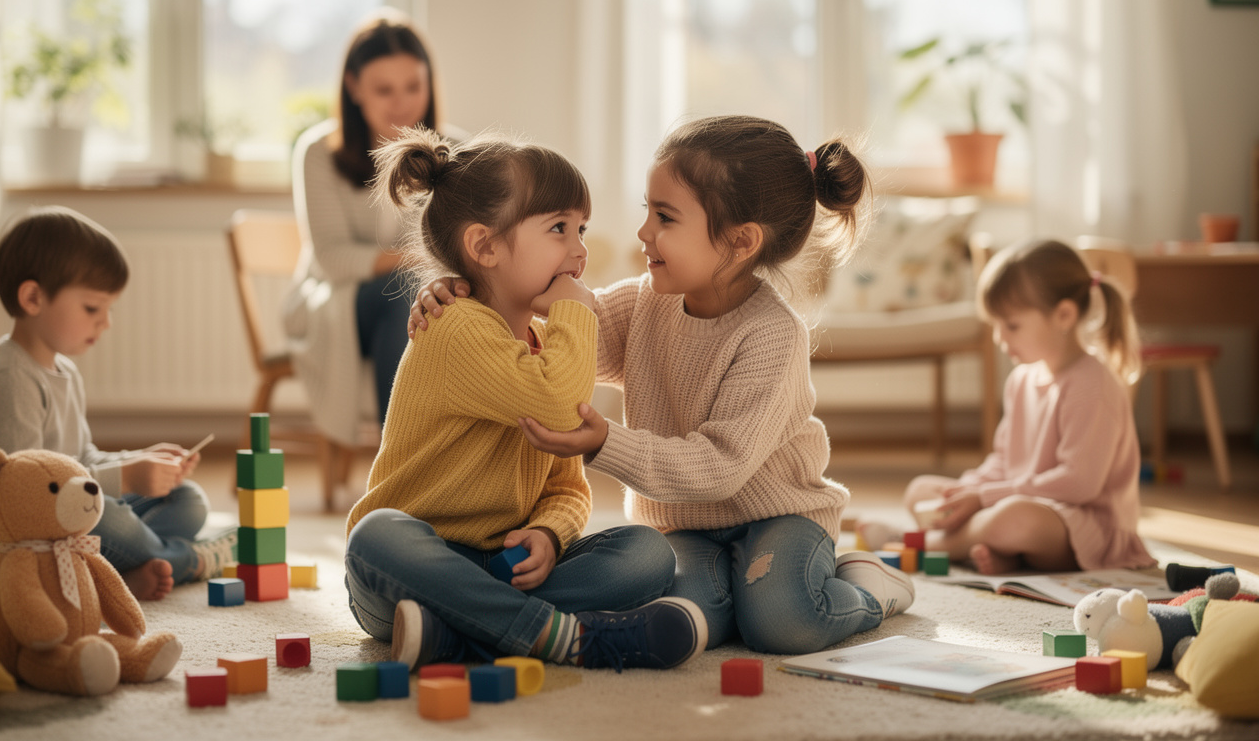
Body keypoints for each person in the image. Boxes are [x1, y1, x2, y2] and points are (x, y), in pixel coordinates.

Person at [412, 115, 915, 656]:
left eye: (665, 217)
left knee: (780, 621)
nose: (643, 232)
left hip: (780, 516)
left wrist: (605, 443)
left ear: (741, 241)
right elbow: (564, 341)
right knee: (681, 614)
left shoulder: (774, 336)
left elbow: (719, 468)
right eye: (646, 211)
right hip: (686, 528)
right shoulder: (646, 302)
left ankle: (865, 588)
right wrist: (466, 289)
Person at [345, 128, 705, 675]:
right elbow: (558, 406)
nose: (580, 250)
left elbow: (567, 488)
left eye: (580, 229)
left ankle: (458, 632)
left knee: (648, 554)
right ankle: (556, 635)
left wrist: (547, 533)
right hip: (413, 572)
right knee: (374, 536)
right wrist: (577, 310)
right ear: (485, 247)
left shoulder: (544, 345)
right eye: (559, 229)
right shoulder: (455, 327)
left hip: (502, 569)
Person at [0, 206, 236, 602]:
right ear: (33, 298)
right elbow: (27, 496)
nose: (106, 323)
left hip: (62, 518)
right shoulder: (6, 379)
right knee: (109, 517)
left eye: (108, 309)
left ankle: (114, 576)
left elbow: (81, 458)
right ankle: (187, 561)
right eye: (93, 309)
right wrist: (127, 478)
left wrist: (140, 460)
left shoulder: (64, 372)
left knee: (188, 501)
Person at [860, 239, 1155, 575]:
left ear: (1064, 315)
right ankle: (1000, 554)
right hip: (1020, 504)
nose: (999, 338)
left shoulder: (1092, 384)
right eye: (996, 324)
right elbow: (1004, 461)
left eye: (1011, 325)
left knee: (1016, 519)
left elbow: (1079, 484)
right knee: (921, 491)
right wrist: (970, 489)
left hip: (1085, 528)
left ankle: (912, 542)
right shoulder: (1021, 380)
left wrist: (985, 497)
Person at [285, 10, 457, 443]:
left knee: (422, 296)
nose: (402, 103)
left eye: (413, 87)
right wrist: (415, 264)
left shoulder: (458, 150)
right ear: (354, 87)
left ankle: (463, 466)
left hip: (434, 297)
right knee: (399, 290)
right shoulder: (318, 152)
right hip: (339, 301)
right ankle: (400, 461)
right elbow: (334, 259)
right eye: (384, 90)